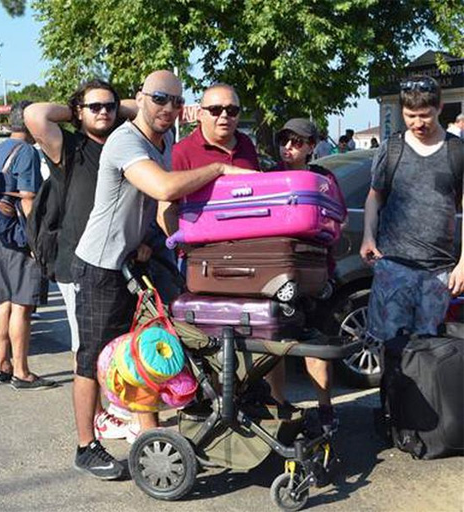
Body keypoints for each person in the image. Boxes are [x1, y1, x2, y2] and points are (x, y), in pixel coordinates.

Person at [71, 70, 254, 480]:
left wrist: (152, 239)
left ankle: (147, 438)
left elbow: (154, 207)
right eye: (158, 99)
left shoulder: (163, 140)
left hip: (134, 259)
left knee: (146, 348)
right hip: (100, 265)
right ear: (140, 99)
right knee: (92, 358)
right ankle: (86, 446)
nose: (168, 109)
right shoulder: (124, 140)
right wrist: (220, 171)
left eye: (175, 101)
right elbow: (164, 188)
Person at [24, 79, 138, 440]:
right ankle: (98, 418)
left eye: (109, 106)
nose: (104, 112)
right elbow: (35, 114)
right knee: (87, 343)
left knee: (116, 339)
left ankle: (112, 410)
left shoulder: (125, 143)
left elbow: (146, 108)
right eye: (95, 107)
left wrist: (113, 107)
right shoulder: (70, 146)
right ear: (79, 112)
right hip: (77, 261)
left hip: (120, 259)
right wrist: (77, 110)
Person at [361, 75, 464, 347]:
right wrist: (368, 237)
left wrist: (463, 264)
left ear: (440, 108)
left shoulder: (458, 152)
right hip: (392, 266)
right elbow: (374, 197)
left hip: (438, 273)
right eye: (410, 115)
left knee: (431, 355)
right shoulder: (391, 148)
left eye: (424, 115)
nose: (417, 123)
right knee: (389, 352)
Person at [270, 118, 347, 431]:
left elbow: (336, 220)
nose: (288, 147)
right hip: (276, 273)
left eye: (297, 141)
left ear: (312, 146)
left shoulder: (323, 178)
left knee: (314, 345)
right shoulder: (270, 176)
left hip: (314, 273)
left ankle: (326, 409)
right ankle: (279, 406)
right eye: (284, 140)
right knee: (273, 342)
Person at [0, 101, 56, 390]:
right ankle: (22, 371)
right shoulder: (26, 152)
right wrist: (35, 239)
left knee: (3, 302)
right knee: (22, 305)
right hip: (18, 237)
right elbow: (27, 197)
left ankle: (2, 364)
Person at [172, 83, 259, 173]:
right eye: (215, 110)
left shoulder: (245, 143)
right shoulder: (180, 154)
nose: (224, 115)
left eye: (231, 110)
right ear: (200, 114)